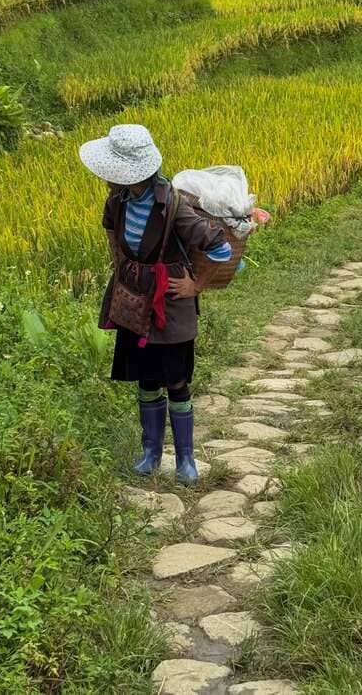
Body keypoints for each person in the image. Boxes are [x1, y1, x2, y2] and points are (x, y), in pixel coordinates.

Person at [79, 124, 231, 484]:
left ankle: (185, 460)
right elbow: (111, 233)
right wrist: (123, 269)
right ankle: (150, 453)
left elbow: (221, 248)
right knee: (146, 379)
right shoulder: (117, 201)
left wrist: (196, 284)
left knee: (176, 381)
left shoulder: (174, 206)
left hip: (170, 305)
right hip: (134, 304)